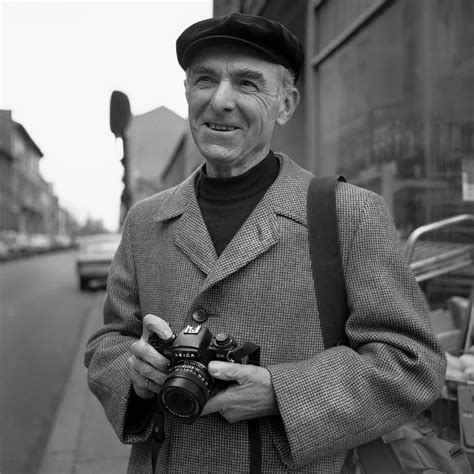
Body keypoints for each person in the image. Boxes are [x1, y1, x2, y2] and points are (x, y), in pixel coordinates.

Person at [85, 12, 446, 474]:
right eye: (204, 80)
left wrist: (281, 392)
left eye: (248, 83)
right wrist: (133, 375)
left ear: (286, 104)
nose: (220, 100)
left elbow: (412, 362)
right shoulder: (145, 221)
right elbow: (108, 343)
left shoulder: (349, 212)